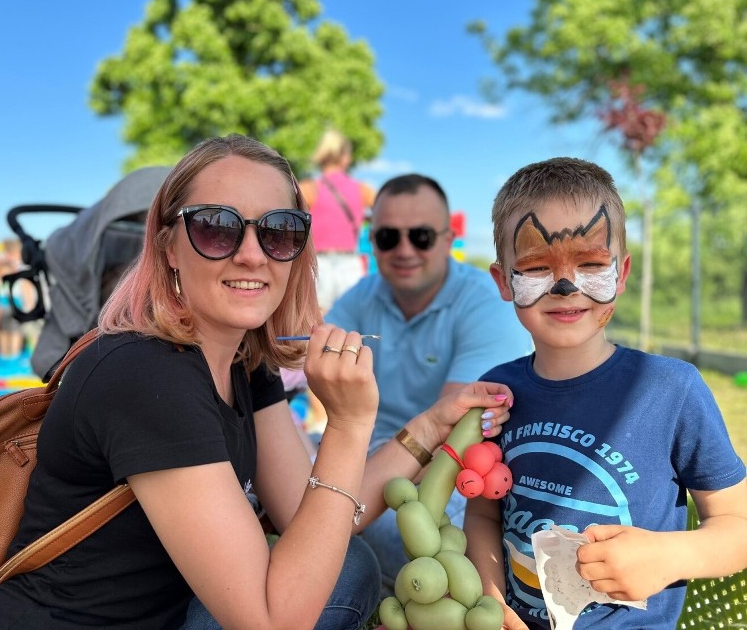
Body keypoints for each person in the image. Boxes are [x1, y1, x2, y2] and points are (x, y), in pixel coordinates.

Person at [0, 134, 514, 630]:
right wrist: (348, 425)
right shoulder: (143, 373)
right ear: (167, 247)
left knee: (345, 564)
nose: (252, 253)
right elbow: (272, 621)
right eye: (216, 227)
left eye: (279, 231)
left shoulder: (244, 361)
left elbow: (317, 514)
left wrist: (430, 425)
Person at [463, 157, 747, 629]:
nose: (565, 284)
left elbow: (738, 528)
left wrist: (668, 556)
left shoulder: (673, 391)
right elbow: (484, 518)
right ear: (502, 282)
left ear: (621, 272)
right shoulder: (497, 393)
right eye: (536, 267)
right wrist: (493, 601)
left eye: (591, 263)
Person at [324, 173, 533, 593]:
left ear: (447, 238)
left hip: (448, 470)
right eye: (387, 237)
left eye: (419, 236)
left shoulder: (481, 303)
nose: (403, 250)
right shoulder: (363, 296)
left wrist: (339, 502)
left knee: (381, 528)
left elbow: (449, 438)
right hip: (372, 455)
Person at [299, 129, 375, 312]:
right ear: (344, 157)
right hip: (350, 263)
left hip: (319, 264)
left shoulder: (309, 189)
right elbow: (390, 212)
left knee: (318, 325)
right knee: (352, 328)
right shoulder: (363, 190)